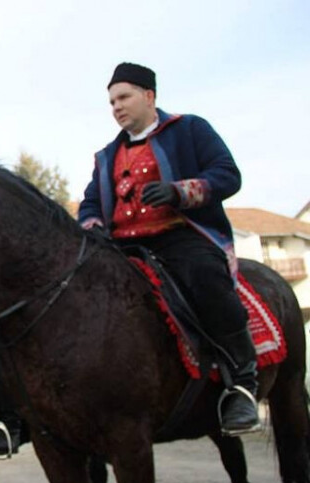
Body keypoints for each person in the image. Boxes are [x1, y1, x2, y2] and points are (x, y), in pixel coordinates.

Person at [78, 62, 259, 435]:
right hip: (122, 247)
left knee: (206, 280)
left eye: (124, 97)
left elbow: (227, 174)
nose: (116, 107)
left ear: (149, 95)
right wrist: (93, 226)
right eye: (111, 101)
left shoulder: (190, 129)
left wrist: (180, 191)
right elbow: (91, 203)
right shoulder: (106, 156)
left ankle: (242, 383)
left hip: (179, 235)